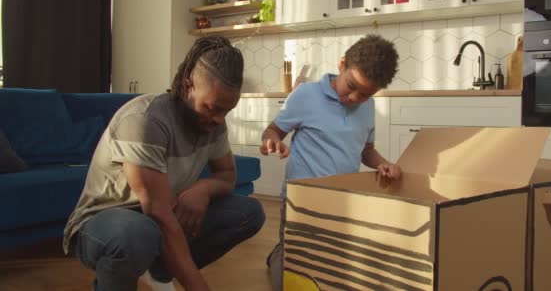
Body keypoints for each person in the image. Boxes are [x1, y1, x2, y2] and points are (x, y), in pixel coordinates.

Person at [63, 36, 265, 291]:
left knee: (247, 213)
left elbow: (226, 175)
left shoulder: (214, 124)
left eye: (227, 111)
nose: (218, 119)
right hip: (103, 224)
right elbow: (158, 213)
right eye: (212, 108)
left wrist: (202, 189)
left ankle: (159, 270)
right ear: (187, 85)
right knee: (137, 234)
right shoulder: (145, 121)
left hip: (160, 213)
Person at [259, 34, 402, 290]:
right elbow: (273, 130)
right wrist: (272, 141)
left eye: (366, 94)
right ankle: (281, 256)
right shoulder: (306, 95)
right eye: (351, 86)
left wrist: (382, 163)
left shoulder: (368, 108)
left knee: (331, 257)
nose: (354, 98)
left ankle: (281, 254)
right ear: (342, 64)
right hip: (300, 198)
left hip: (343, 199)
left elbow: (366, 151)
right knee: (297, 262)